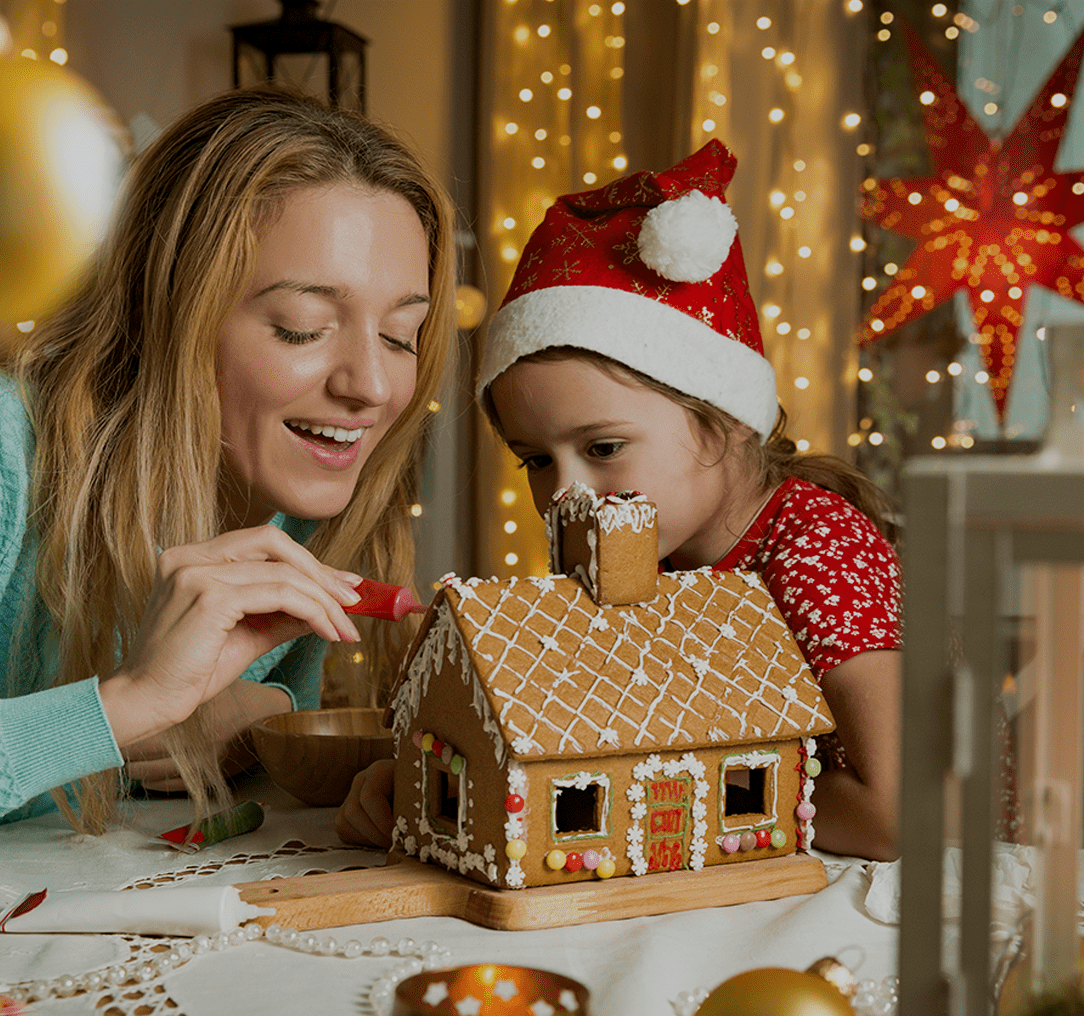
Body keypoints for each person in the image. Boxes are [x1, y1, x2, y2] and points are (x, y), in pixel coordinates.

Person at [0, 88, 454, 876]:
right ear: (170, 311)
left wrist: (268, 720)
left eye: (402, 333)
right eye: (302, 325)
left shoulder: (302, 492)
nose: (370, 384)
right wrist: (120, 707)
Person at [338, 140, 900, 861]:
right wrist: (437, 780)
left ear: (724, 420)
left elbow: (893, 814)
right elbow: (560, 732)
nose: (564, 493)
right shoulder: (622, 553)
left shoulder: (815, 548)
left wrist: (660, 779)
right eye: (536, 459)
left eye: (603, 447)